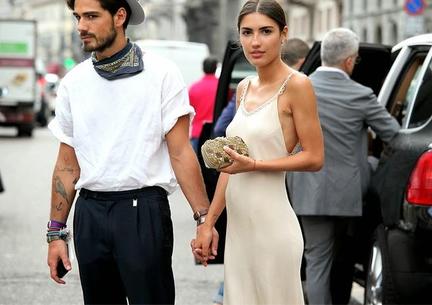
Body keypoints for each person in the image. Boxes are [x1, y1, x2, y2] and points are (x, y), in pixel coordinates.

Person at [46, 0, 217, 304]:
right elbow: (66, 165)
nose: (81, 26)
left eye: (91, 16)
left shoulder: (161, 73)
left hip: (143, 211)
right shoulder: (73, 82)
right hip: (90, 214)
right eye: (77, 17)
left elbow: (180, 152)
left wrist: (204, 219)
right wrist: (55, 233)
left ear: (119, 16)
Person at [192, 1, 324, 304]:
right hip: (239, 233)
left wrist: (254, 164)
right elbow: (231, 166)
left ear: (283, 34)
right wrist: (209, 223)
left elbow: (315, 157)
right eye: (247, 32)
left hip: (273, 228)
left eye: (266, 31)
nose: (255, 41)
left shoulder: (298, 85)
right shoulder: (244, 88)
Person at [286, 28, 400, 305]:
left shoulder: (297, 88)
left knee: (316, 260)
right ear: (349, 60)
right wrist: (371, 161)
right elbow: (394, 134)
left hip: (307, 188)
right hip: (348, 193)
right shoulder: (361, 94)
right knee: (345, 256)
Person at [189, 56, 219, 153]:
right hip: (216, 133)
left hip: (198, 132)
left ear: (203, 68)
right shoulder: (221, 87)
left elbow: (189, 111)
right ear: (216, 68)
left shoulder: (194, 87)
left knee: (197, 166)